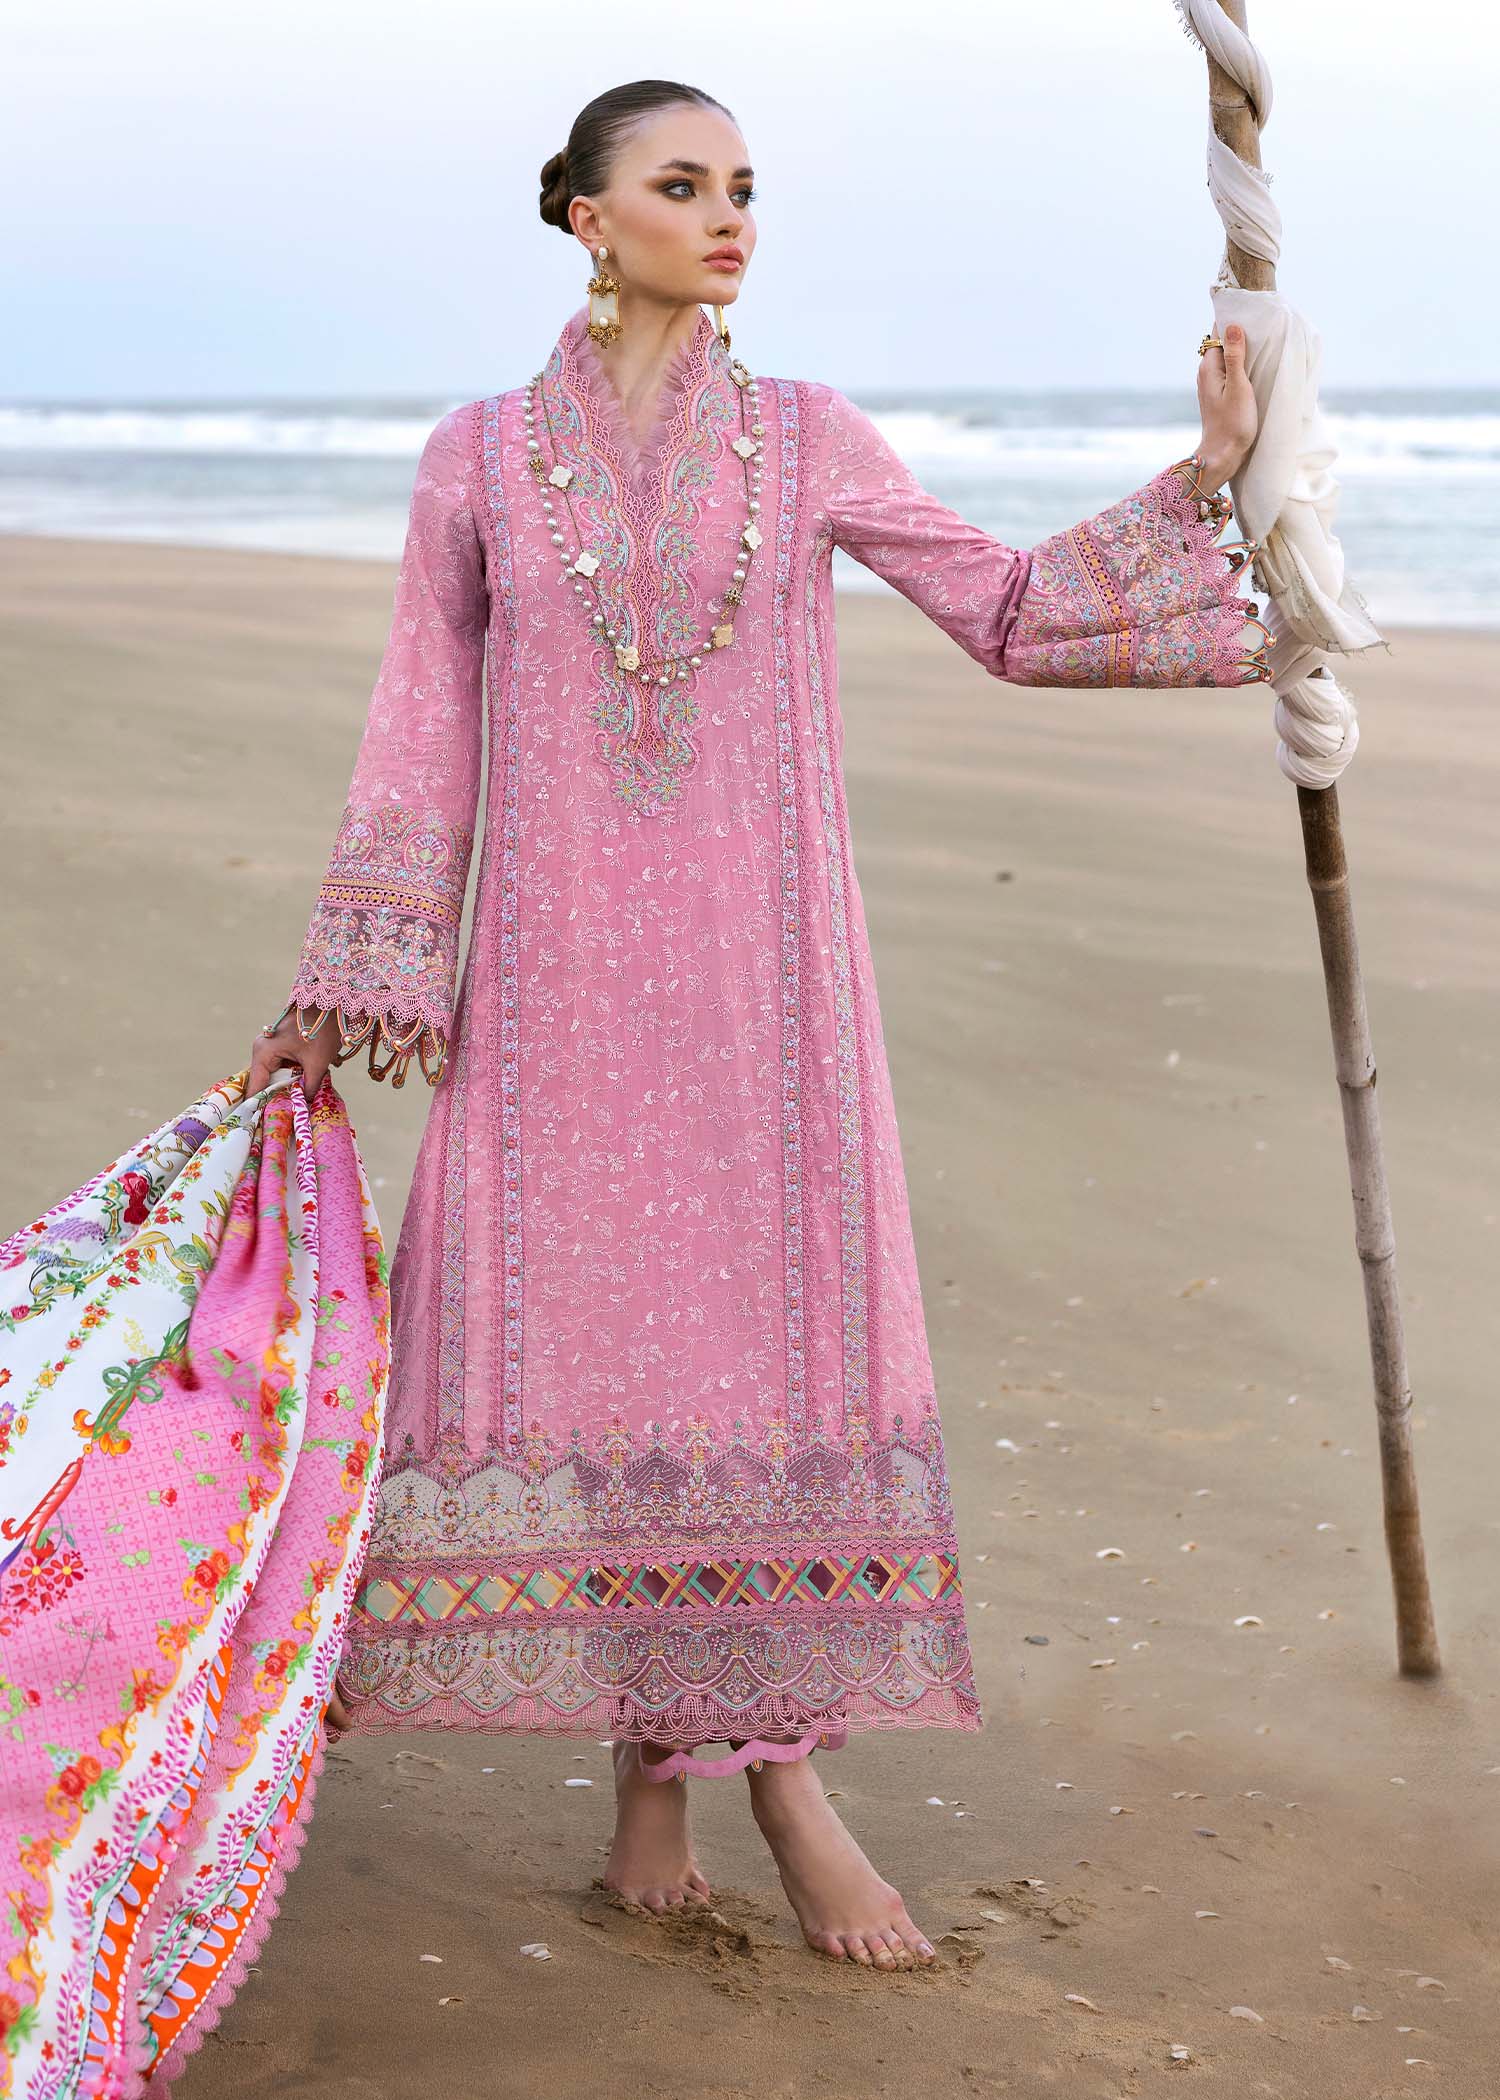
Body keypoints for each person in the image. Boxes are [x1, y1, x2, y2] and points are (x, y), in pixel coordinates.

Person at [245, 78, 1264, 1972]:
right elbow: (421, 722)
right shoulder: (478, 460)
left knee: (752, 1368)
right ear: (588, 218)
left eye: (743, 187)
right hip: (550, 983)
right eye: (683, 184)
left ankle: (774, 1782)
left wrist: (1206, 481)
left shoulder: (806, 438)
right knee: (603, 1365)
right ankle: (674, 1773)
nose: (729, 217)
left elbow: (1009, 612)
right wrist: (343, 984)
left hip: (766, 987)